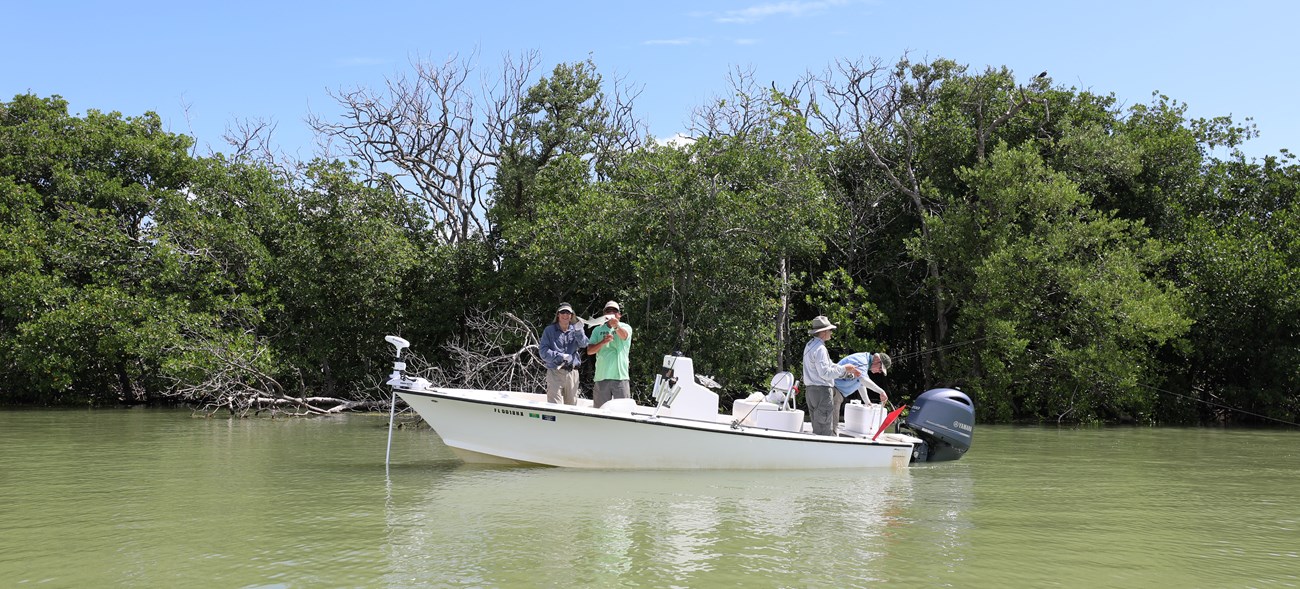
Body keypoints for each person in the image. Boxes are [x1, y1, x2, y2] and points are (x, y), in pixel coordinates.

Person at [801, 315, 861, 436]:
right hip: (822, 392)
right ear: (823, 332)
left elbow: (828, 366)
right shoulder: (821, 349)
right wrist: (845, 368)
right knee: (825, 431)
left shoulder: (809, 345)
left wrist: (847, 370)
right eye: (830, 330)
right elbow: (825, 373)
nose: (831, 333)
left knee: (817, 429)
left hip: (810, 392)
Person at [538, 303, 590, 405]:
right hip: (554, 372)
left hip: (572, 373)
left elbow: (584, 344)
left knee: (571, 407)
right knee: (554, 407)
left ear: (571, 315)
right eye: (562, 312)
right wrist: (561, 356)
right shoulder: (549, 330)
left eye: (568, 313)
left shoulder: (576, 329)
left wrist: (579, 331)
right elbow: (543, 352)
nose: (565, 315)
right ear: (558, 314)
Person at [586, 300, 632, 408]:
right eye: (608, 311)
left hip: (620, 377)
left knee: (623, 413)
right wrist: (603, 342)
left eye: (614, 311)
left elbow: (624, 336)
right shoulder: (597, 330)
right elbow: (590, 351)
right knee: (599, 412)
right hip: (601, 377)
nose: (611, 313)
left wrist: (616, 326)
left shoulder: (625, 327)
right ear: (604, 314)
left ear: (619, 314)